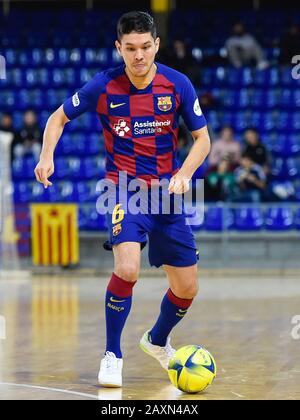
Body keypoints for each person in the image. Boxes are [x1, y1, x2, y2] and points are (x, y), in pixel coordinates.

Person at [34, 11, 211, 388]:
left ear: (156, 45)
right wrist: (46, 156)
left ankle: (157, 340)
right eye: (130, 48)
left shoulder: (177, 85)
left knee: (187, 288)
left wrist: (184, 174)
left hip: (167, 196)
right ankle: (112, 354)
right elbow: (57, 118)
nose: (139, 56)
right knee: (128, 268)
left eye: (146, 47)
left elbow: (203, 140)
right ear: (119, 48)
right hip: (123, 190)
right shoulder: (103, 86)